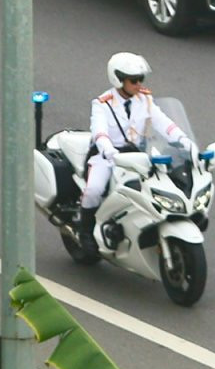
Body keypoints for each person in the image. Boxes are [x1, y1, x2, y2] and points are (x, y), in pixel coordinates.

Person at [81, 52, 191, 252]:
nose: (139, 84)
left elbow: (163, 123)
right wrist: (109, 150)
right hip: (108, 157)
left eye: (141, 79)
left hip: (138, 156)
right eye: (134, 80)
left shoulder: (145, 99)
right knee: (94, 190)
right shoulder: (103, 103)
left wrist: (183, 140)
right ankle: (85, 232)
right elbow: (99, 132)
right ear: (119, 79)